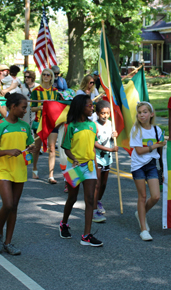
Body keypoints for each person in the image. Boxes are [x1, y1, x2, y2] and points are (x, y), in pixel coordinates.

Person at [0, 93, 36, 255]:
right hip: (3, 170)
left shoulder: (25, 126)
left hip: (20, 169)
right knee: (8, 204)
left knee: (14, 206)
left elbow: (30, 145)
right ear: (13, 107)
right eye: (23, 108)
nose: (25, 111)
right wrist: (8, 151)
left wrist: (31, 148)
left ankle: (8, 242)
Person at [59, 95, 102, 246]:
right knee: (72, 198)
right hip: (74, 168)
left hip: (89, 166)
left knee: (90, 199)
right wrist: (74, 158)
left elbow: (93, 146)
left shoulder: (93, 125)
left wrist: (96, 165)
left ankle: (87, 235)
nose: (92, 108)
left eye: (92, 105)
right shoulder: (70, 126)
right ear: (80, 108)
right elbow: (66, 147)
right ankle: (64, 223)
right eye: (89, 106)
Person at [129, 102, 165, 241]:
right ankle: (143, 229)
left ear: (151, 114)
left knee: (156, 196)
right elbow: (139, 150)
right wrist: (156, 145)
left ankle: (141, 213)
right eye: (139, 112)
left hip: (151, 164)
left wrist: (162, 168)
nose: (142, 114)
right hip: (138, 165)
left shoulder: (157, 130)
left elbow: (161, 151)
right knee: (142, 196)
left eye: (145, 112)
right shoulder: (136, 130)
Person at [31, 68, 59, 183]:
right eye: (44, 75)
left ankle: (51, 175)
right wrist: (41, 108)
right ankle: (34, 168)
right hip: (39, 122)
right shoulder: (36, 90)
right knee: (37, 148)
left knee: (52, 149)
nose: (46, 76)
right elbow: (32, 108)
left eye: (48, 75)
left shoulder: (55, 91)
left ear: (52, 77)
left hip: (52, 122)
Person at [92, 100, 118, 223]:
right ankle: (93, 209)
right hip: (97, 158)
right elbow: (95, 143)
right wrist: (110, 149)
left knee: (103, 184)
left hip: (108, 157)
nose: (105, 116)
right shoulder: (94, 125)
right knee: (97, 184)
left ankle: (98, 201)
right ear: (97, 113)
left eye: (107, 113)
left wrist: (115, 135)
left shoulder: (110, 123)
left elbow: (111, 137)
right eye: (102, 113)